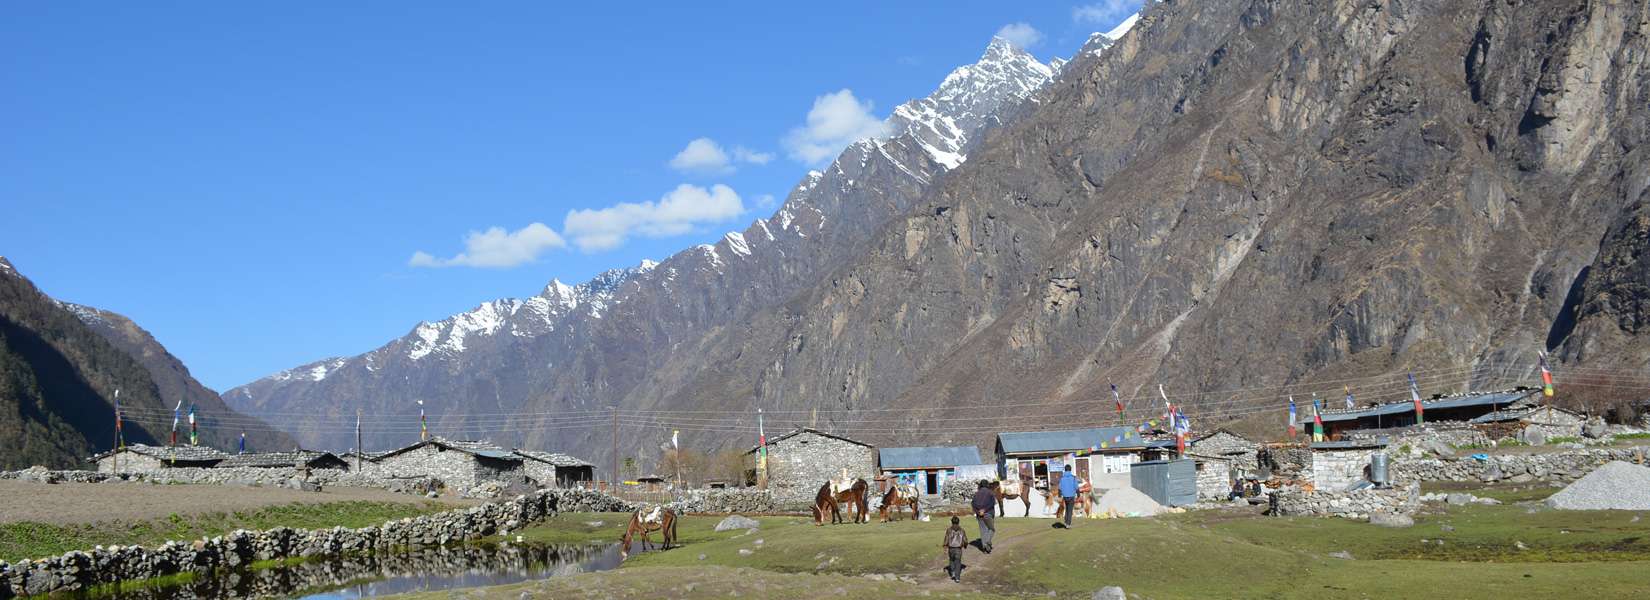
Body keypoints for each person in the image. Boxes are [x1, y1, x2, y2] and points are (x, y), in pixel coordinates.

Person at [971, 479, 997, 552]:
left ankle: (985, 547)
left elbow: (973, 504)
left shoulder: (976, 493)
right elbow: (992, 503)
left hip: (979, 515)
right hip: (988, 514)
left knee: (983, 531)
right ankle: (988, 541)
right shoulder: (990, 493)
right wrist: (984, 510)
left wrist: (978, 512)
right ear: (987, 485)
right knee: (991, 529)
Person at [943, 516, 967, 582]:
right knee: (958, 562)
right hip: (958, 549)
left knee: (951, 560)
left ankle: (953, 572)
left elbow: (946, 539)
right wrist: (965, 545)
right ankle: (957, 578)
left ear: (952, 522)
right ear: (958, 522)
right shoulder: (962, 530)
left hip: (951, 548)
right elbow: (965, 540)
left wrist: (945, 546)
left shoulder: (949, 530)